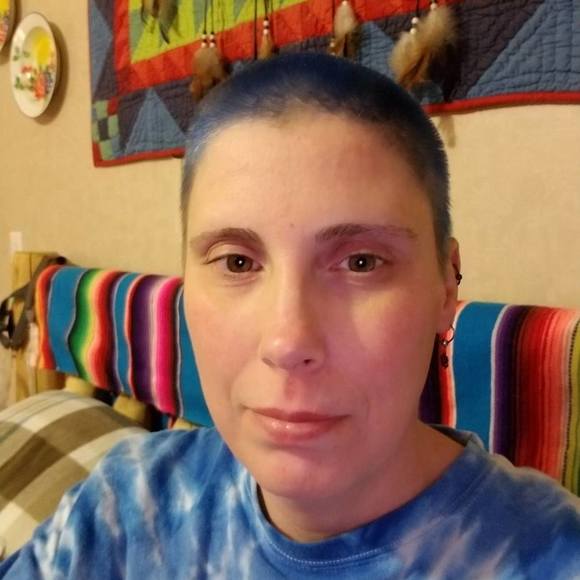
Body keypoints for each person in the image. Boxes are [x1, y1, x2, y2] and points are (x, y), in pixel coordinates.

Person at [1, 53, 578, 579]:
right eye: (237, 261)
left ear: (445, 285)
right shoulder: (126, 508)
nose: (287, 341)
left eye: (360, 262)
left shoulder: (550, 556)